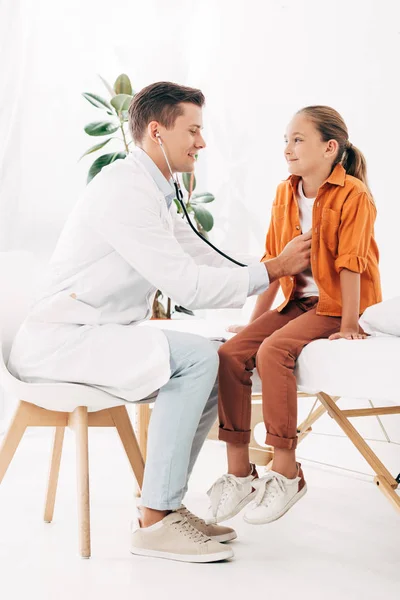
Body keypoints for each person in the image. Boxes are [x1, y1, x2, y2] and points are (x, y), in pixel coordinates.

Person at [8, 82, 312, 563]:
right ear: (156, 131)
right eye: (192, 130)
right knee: (196, 359)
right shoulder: (124, 191)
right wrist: (275, 270)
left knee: (211, 360)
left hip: (94, 335)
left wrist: (271, 265)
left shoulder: (153, 188)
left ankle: (164, 507)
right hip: (61, 342)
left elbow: (199, 254)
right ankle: (155, 519)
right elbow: (187, 286)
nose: (202, 142)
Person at [207, 105, 382, 527]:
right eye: (286, 139)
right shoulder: (285, 193)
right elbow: (275, 264)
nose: (288, 148)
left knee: (274, 352)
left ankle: (286, 472)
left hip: (340, 304)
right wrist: (254, 321)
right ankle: (239, 473)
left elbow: (352, 263)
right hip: (297, 303)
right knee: (232, 354)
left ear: (330, 147)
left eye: (298, 139)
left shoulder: (353, 195)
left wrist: (348, 326)